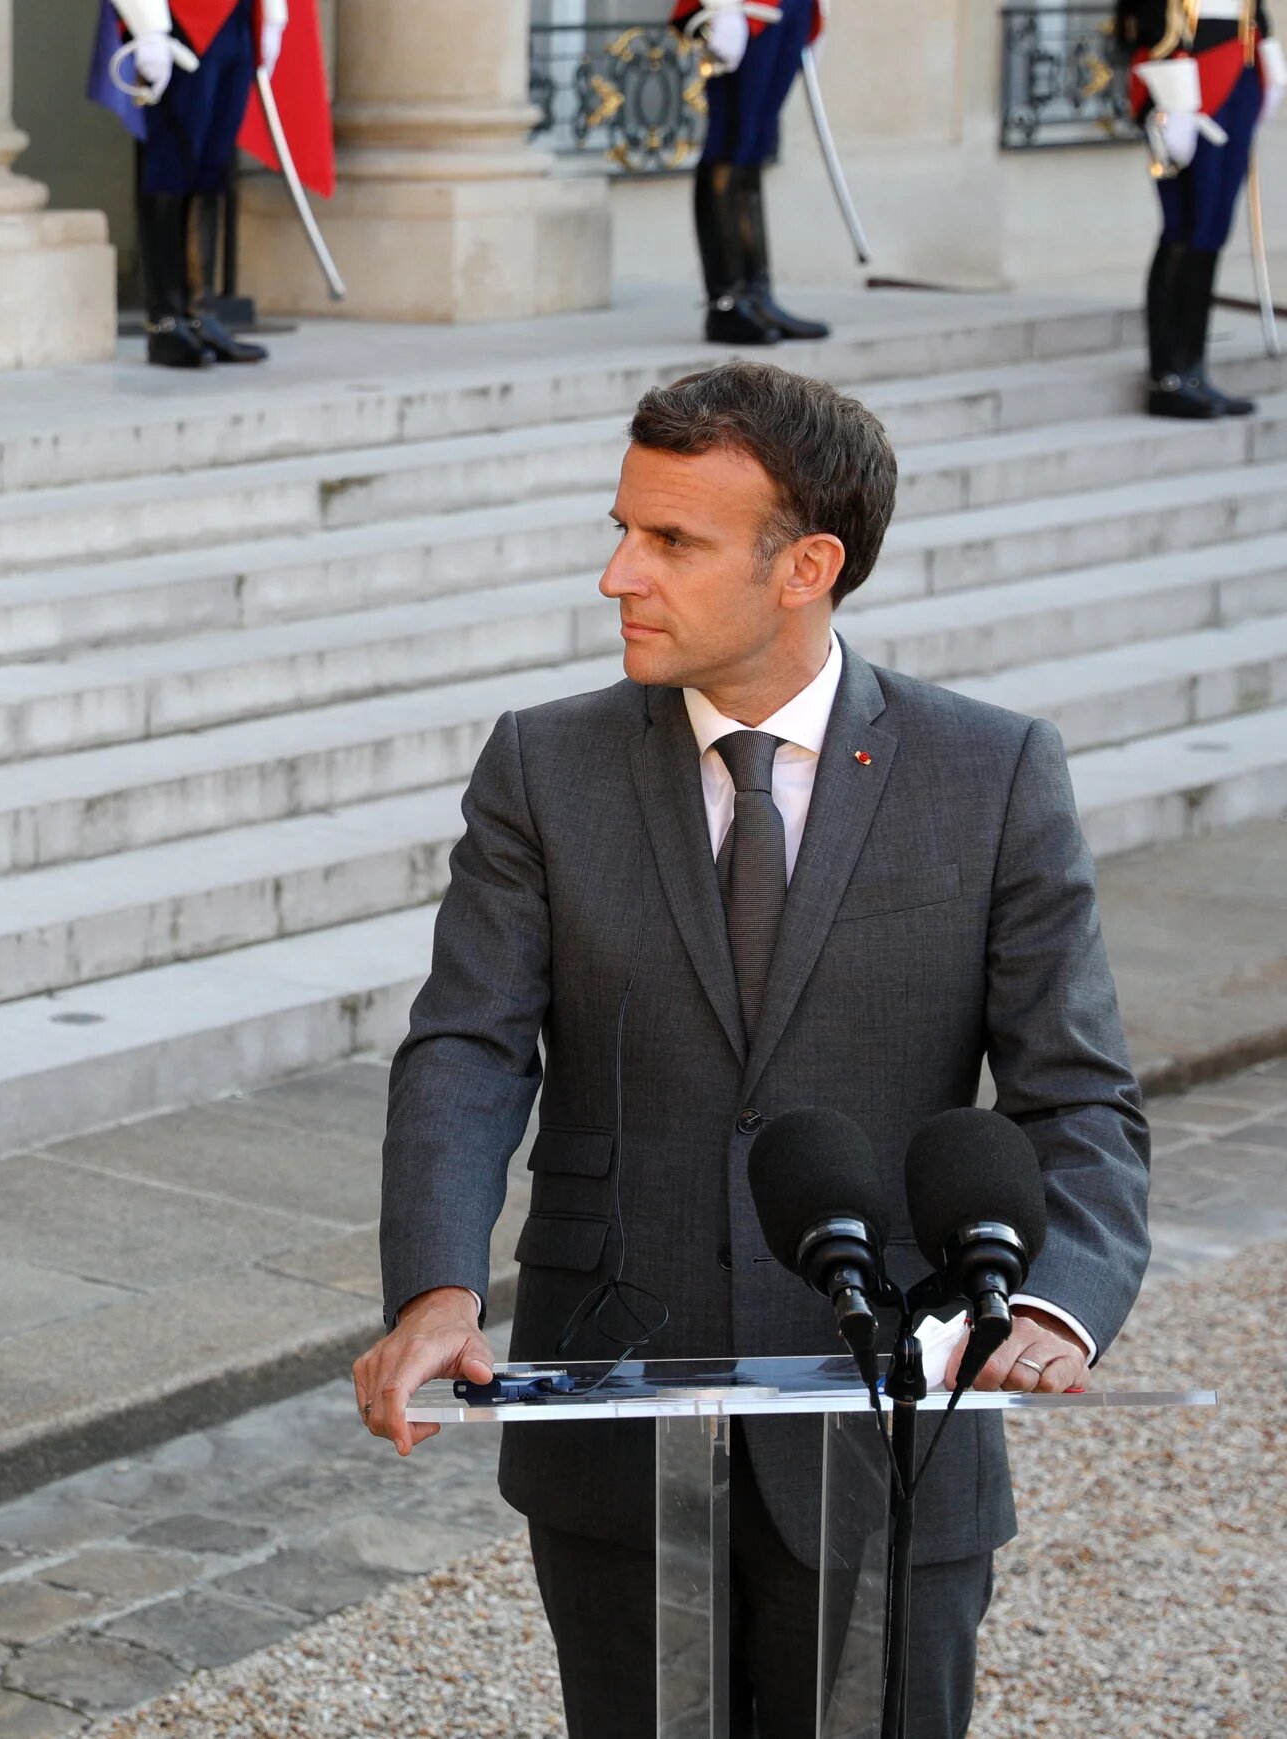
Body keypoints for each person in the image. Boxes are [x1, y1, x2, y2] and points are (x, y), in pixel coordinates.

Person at [351, 362, 1150, 1738]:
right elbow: (466, 1051)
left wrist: (1055, 1302)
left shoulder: (993, 771)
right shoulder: (545, 766)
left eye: (671, 540)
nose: (618, 573)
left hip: (895, 1426)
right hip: (617, 1404)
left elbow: (1077, 1096)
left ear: (808, 567)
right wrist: (434, 1283)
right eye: (621, 527)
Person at [88, 0, 328, 369]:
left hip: (236, 17)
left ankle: (199, 311)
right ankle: (165, 321)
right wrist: (149, 26)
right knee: (173, 162)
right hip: (183, 18)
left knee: (211, 165)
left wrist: (274, 17)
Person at [1118, 0, 1286, 417]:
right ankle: (1167, 377)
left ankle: (1193, 368)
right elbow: (1144, 14)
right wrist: (1171, 93)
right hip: (1185, 72)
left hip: (1240, 67)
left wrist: (1270, 62)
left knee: (1213, 226)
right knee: (1185, 224)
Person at [676, 0, 830, 344]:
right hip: (744, 7)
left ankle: (756, 295)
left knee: (755, 144)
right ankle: (726, 303)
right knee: (730, 141)